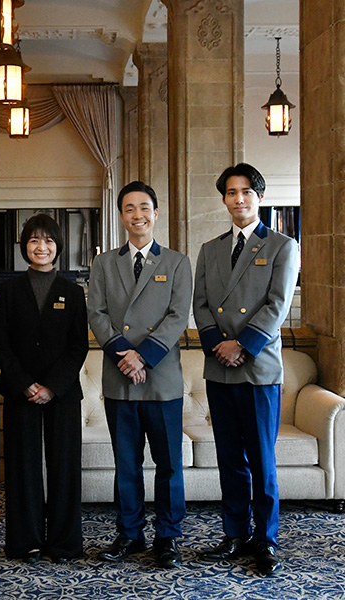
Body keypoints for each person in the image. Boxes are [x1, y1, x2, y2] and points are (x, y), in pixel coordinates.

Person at [193, 163, 299, 576]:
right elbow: (200, 304)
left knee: (262, 460)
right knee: (229, 458)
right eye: (231, 192)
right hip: (219, 368)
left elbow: (277, 306)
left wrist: (243, 344)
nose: (239, 199)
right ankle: (234, 534)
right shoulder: (210, 249)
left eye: (246, 192)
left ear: (259, 196)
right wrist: (218, 346)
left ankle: (266, 539)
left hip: (258, 368)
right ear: (223, 199)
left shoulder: (282, 245)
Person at [88, 181, 192, 569]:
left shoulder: (176, 262)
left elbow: (178, 316)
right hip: (119, 379)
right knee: (126, 463)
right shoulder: (103, 263)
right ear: (120, 216)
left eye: (144, 207)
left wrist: (143, 357)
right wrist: (122, 354)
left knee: (168, 466)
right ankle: (129, 533)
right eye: (129, 208)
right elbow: (96, 313)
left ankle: (168, 536)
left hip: (162, 380)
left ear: (156, 212)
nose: (138, 215)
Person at [0, 214, 88, 564]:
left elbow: (78, 346)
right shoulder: (8, 290)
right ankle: (25, 541)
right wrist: (25, 383)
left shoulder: (73, 291)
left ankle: (64, 543)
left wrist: (51, 385)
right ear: (24, 246)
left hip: (62, 393)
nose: (41, 247)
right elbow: (1, 343)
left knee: (64, 466)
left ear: (58, 247)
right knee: (23, 467)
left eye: (48, 241)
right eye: (34, 240)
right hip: (20, 392)